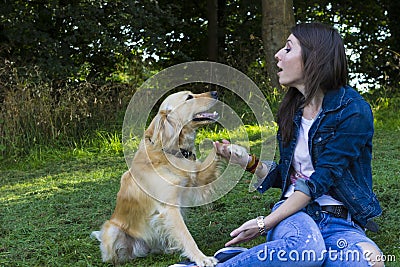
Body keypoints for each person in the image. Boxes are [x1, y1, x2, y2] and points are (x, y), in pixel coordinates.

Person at [210, 22, 384, 266]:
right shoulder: (292, 110)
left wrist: (262, 224)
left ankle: (249, 258)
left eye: (288, 49)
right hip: (293, 217)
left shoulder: (353, 111)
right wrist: (245, 161)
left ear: (314, 57)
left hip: (340, 223)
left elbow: (321, 178)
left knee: (370, 261)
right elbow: (289, 175)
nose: (278, 55)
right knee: (308, 249)